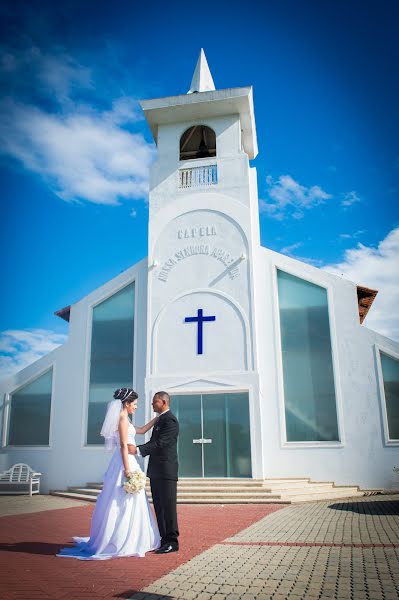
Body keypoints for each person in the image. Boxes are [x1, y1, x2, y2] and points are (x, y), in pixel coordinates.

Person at [57, 388, 160, 560]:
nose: (136, 407)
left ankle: (133, 538)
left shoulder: (126, 418)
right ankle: (120, 541)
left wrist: (157, 419)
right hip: (125, 462)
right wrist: (127, 470)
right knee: (121, 500)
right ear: (126, 404)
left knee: (131, 499)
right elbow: (123, 446)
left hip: (129, 460)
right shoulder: (121, 418)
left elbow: (140, 430)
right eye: (134, 404)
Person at [129, 391, 179, 554]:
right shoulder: (161, 420)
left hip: (166, 471)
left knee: (168, 506)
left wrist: (137, 450)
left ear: (163, 402)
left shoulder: (169, 420)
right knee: (159, 507)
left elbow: (161, 443)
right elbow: (153, 441)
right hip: (157, 471)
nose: (152, 405)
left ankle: (172, 542)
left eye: (154, 402)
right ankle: (164, 540)